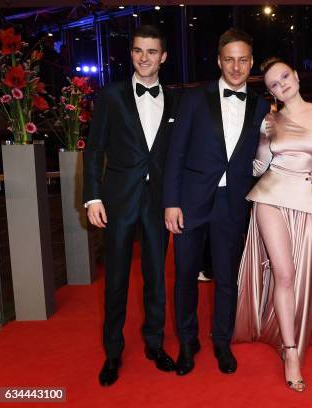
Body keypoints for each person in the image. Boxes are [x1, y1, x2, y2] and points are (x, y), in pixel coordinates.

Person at [163, 28, 270, 376]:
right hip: (191, 202)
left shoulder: (261, 106)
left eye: (242, 60)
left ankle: (222, 342)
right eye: (229, 60)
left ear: (251, 62)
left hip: (232, 203)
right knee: (184, 277)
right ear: (219, 61)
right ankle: (187, 342)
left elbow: (270, 155)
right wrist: (171, 202)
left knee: (227, 278)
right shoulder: (194, 98)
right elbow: (175, 153)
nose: (236, 67)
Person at [83, 25, 180, 386]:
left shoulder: (176, 99)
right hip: (118, 200)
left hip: (157, 204)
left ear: (163, 56)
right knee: (117, 280)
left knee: (156, 276)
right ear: (132, 54)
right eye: (138, 50)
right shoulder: (111, 95)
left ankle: (154, 344)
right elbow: (94, 150)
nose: (144, 58)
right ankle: (113, 352)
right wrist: (92, 196)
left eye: (152, 51)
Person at [232, 58, 312, 392]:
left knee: (298, 273)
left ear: (297, 75)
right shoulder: (269, 121)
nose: (282, 85)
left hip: (306, 200)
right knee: (285, 273)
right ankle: (291, 352)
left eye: (285, 77)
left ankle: (289, 333)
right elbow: (260, 164)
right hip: (271, 196)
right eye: (274, 84)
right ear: (271, 91)